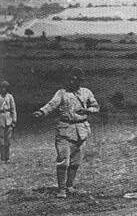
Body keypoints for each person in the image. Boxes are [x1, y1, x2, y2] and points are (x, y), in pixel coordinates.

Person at [32, 68, 100, 198]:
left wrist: (86, 110)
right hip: (65, 131)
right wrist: (41, 112)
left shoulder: (86, 92)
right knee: (63, 161)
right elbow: (51, 105)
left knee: (76, 162)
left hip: (82, 131)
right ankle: (61, 189)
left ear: (80, 81)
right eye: (70, 78)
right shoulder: (62, 93)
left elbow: (96, 107)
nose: (71, 81)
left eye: (74, 79)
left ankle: (70, 186)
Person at [0, 80, 16, 163]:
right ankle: (2, 158)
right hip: (0, 119)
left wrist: (14, 120)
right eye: (2, 87)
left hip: (8, 119)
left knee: (8, 141)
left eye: (5, 88)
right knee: (1, 140)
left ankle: (7, 157)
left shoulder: (10, 97)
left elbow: (13, 109)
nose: (3, 89)